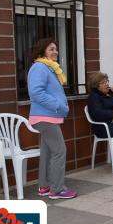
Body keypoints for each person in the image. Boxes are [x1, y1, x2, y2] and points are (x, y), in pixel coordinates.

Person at [28, 39, 77, 199]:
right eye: (51, 49)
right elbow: (36, 92)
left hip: (48, 116)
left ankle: (45, 186)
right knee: (59, 152)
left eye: (56, 49)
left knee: (48, 152)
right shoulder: (39, 67)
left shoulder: (49, 68)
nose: (55, 52)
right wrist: (59, 106)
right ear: (42, 51)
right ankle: (57, 189)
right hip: (45, 116)